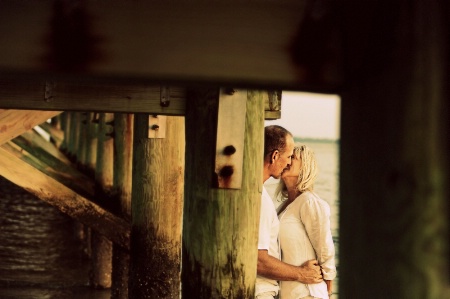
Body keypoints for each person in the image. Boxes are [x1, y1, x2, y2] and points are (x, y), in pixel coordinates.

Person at [256, 126, 323, 299]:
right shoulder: (260, 199)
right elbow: (258, 259)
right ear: (275, 156)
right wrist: (301, 273)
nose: (288, 162)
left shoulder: (308, 202)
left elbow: (325, 249)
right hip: (261, 292)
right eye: (288, 156)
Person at [276, 145, 336, 299]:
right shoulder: (285, 206)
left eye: (292, 158)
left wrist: (328, 283)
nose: (287, 161)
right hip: (289, 292)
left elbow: (324, 246)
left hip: (308, 293)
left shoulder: (309, 202)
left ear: (305, 166)